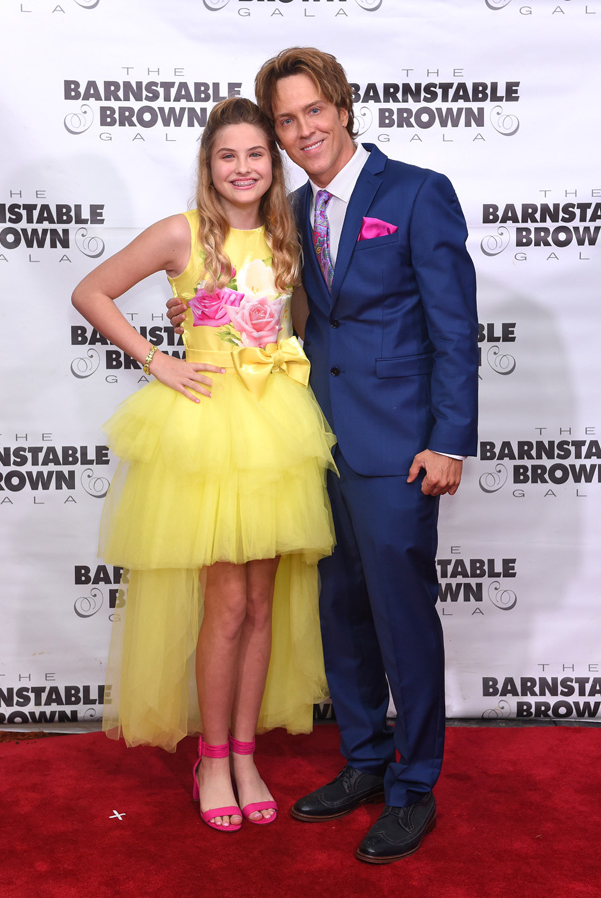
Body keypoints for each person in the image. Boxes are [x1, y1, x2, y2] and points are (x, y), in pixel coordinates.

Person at [169, 47, 478, 863]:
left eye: (313, 111)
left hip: (400, 447)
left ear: (342, 105)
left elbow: (454, 329)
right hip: (313, 443)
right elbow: (274, 308)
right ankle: (365, 763)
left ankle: (414, 787)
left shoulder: (417, 192)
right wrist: (191, 314)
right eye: (285, 120)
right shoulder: (289, 212)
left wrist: (449, 439)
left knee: (402, 618)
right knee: (340, 615)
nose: (302, 130)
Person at [72, 97, 336, 834]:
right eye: (229, 155)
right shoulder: (180, 235)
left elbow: (303, 324)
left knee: (261, 606)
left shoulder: (291, 238)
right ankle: (212, 759)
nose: (244, 167)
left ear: (273, 163)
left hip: (277, 435)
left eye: (257, 154)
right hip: (210, 436)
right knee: (223, 607)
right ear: (208, 165)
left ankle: (247, 753)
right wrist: (158, 360)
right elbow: (91, 291)